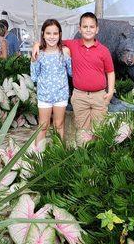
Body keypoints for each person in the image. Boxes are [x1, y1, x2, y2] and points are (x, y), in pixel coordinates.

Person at [32, 12, 115, 144]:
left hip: (99, 96)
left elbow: (110, 71)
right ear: (79, 28)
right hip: (79, 96)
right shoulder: (73, 45)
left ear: (97, 29)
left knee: (99, 130)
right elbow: (53, 41)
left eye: (91, 27)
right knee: (82, 131)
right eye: (85, 26)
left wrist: (110, 92)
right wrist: (37, 44)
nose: (88, 29)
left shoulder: (103, 50)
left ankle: (98, 158)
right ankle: (84, 157)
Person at [30, 19, 72, 145]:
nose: (52, 37)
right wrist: (34, 56)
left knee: (59, 125)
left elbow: (71, 72)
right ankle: (38, 156)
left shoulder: (65, 51)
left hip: (61, 95)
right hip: (44, 96)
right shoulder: (39, 53)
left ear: (60, 34)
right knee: (43, 126)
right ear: (43, 34)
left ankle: (59, 155)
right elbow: (34, 76)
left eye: (55, 33)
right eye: (48, 33)